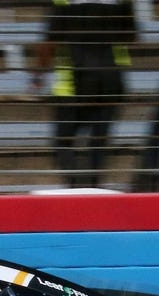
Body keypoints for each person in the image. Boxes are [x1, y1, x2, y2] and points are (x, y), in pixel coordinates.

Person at [32, 0, 138, 187]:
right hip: (110, 80)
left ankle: (76, 188)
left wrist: (38, 73)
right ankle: (93, 190)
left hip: (73, 81)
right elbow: (131, 36)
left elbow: (50, 40)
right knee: (98, 143)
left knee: (63, 143)